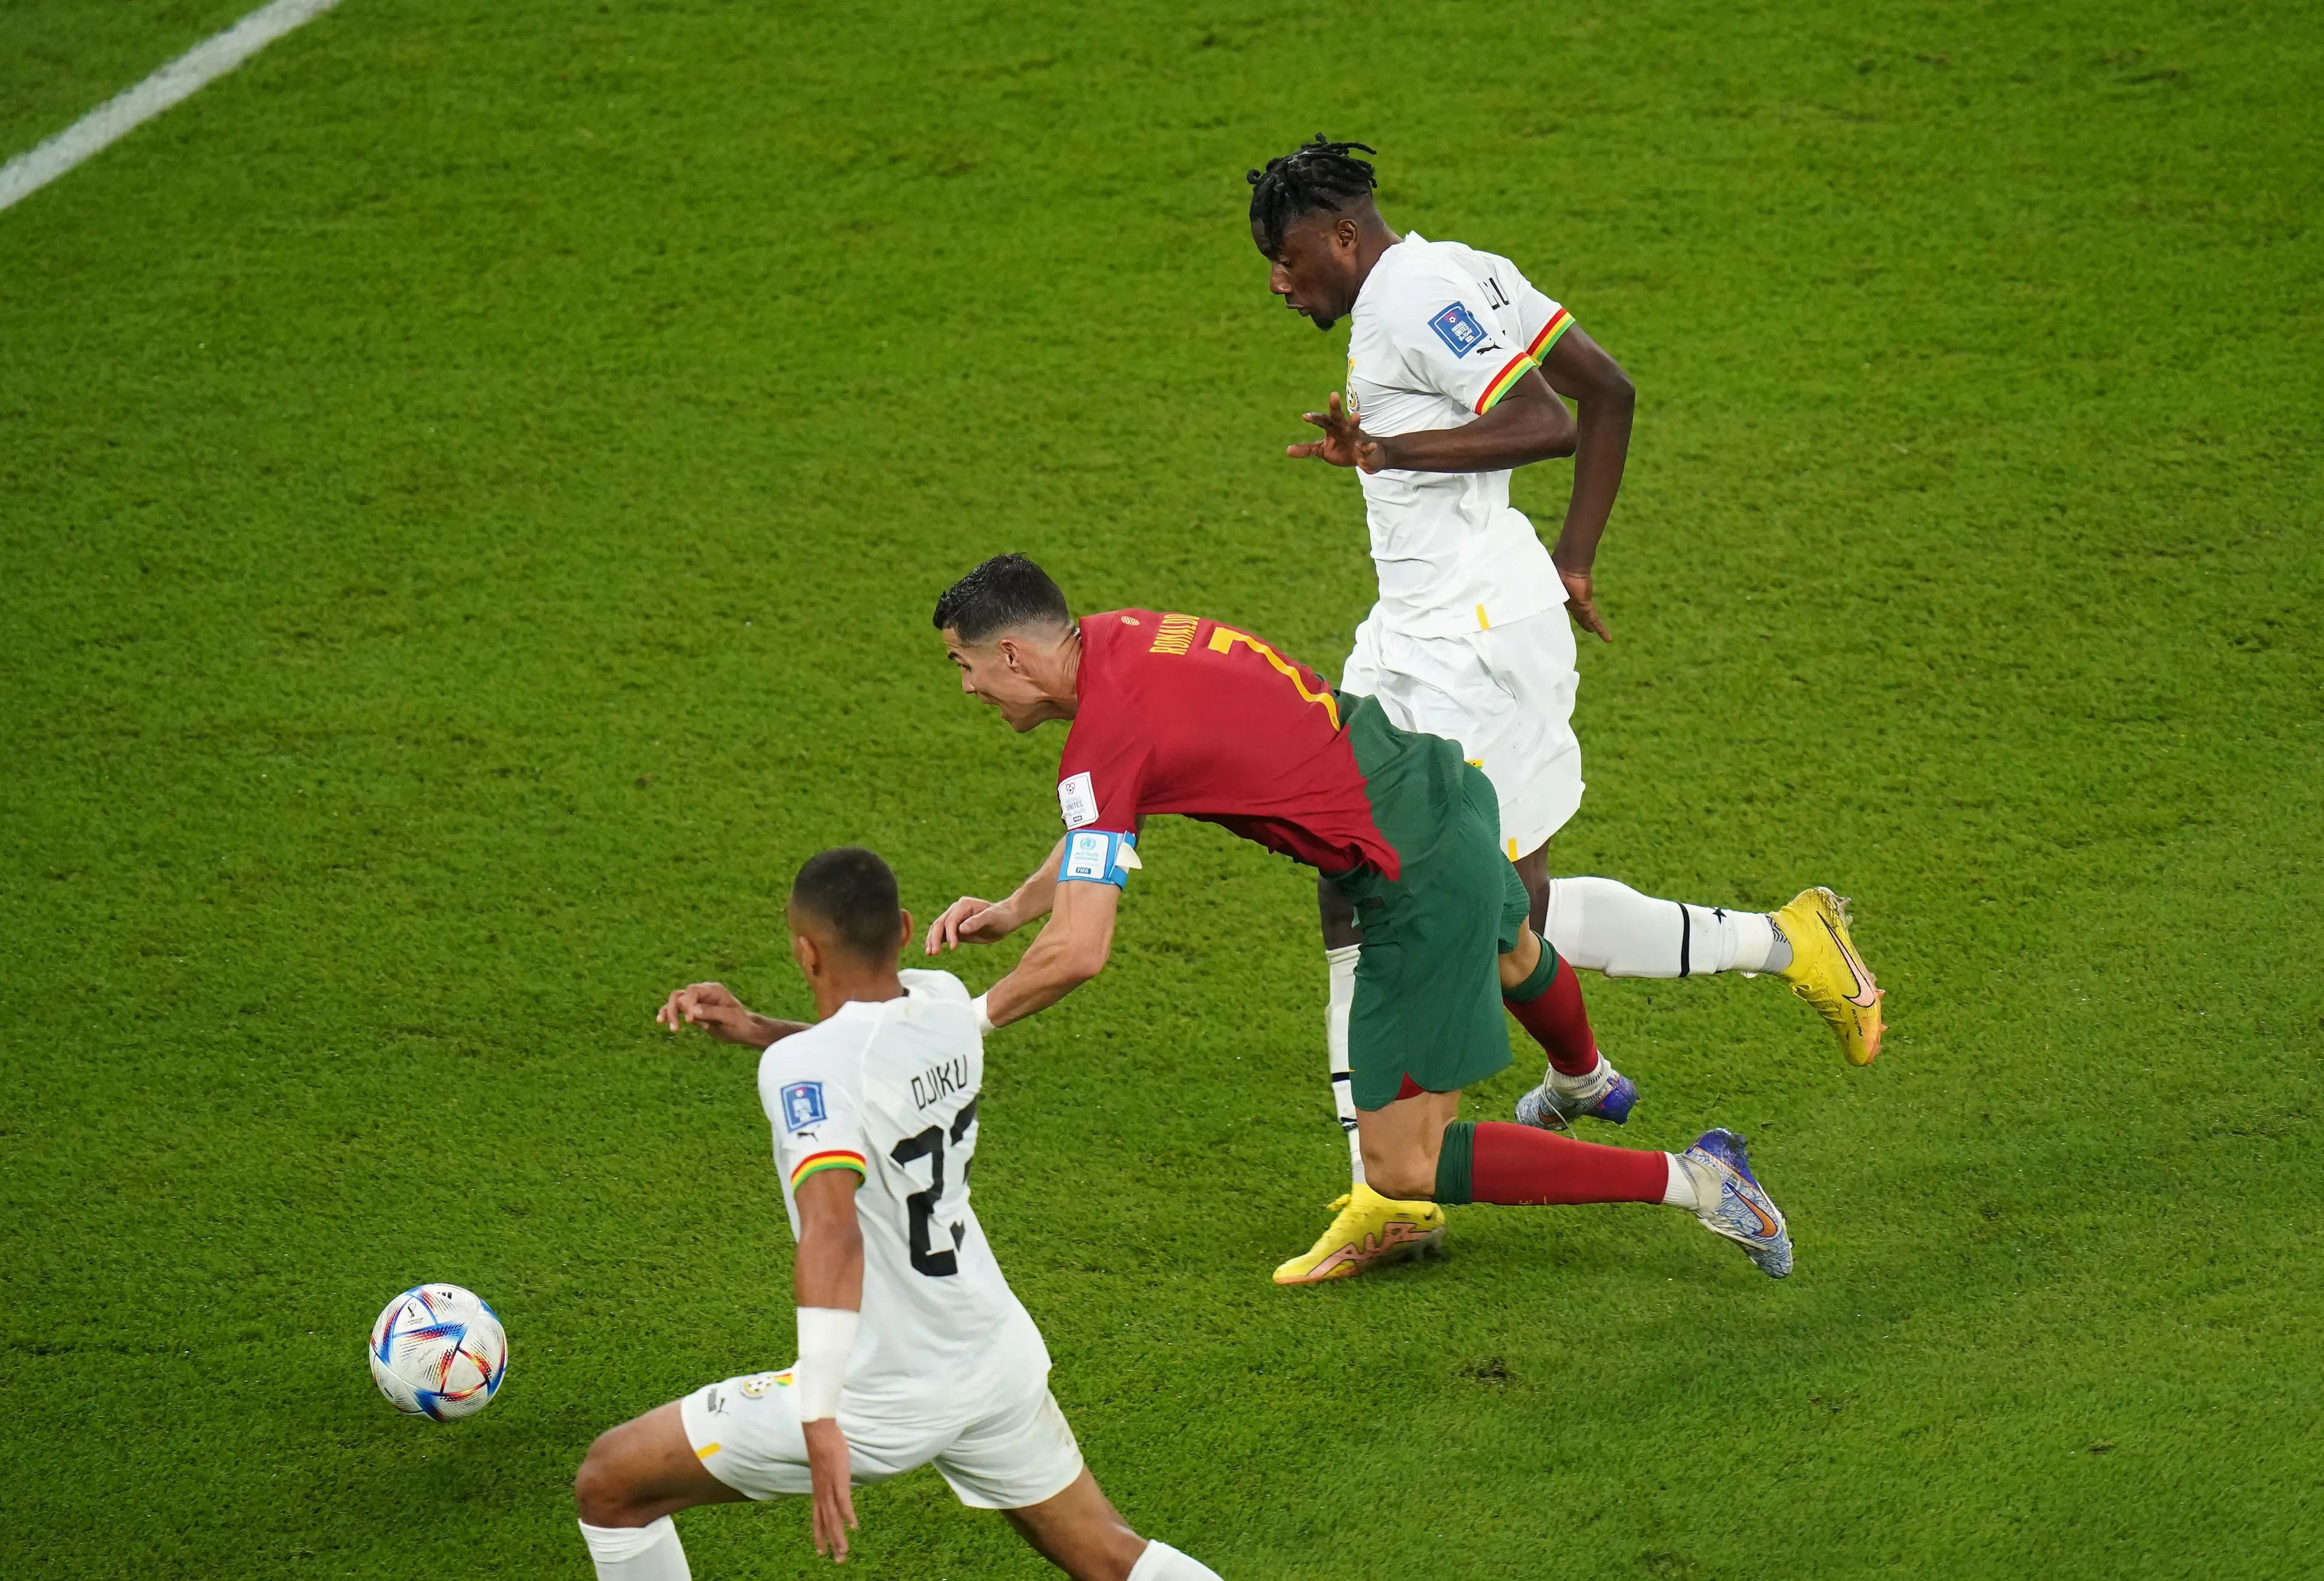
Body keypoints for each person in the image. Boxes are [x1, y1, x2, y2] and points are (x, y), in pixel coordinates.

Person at [1244, 136, 1882, 1270]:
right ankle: (1385, 1188)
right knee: (1348, 885)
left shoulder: (1418, 292)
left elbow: (1552, 418)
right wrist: (1576, 557)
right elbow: (1611, 387)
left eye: (1290, 259)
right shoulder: (1455, 268)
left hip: (1478, 652)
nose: (1281, 283)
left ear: (1343, 233)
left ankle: (1786, 941)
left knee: (1492, 919)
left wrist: (1384, 449)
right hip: (1415, 638)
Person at [923, 554, 1794, 1293]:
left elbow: (1081, 951)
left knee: (1405, 1170)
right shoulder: (1126, 636)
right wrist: (1012, 909)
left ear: (1012, 654)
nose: (966, 688)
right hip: (1432, 786)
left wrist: (963, 1026)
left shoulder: (1107, 737)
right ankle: (1585, 1079)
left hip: (1409, 881)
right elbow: (1101, 818)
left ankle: (1700, 1180)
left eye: (964, 667)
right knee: (1515, 949)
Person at [573, 847, 1225, 1581]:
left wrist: (820, 1412)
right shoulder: (943, 1001)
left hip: (883, 1391)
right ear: (907, 928)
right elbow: (863, 1060)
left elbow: (833, 1229)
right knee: (1111, 1555)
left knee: (611, 1482)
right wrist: (757, 1026)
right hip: (990, 1354)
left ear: (804, 950)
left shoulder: (806, 1069)